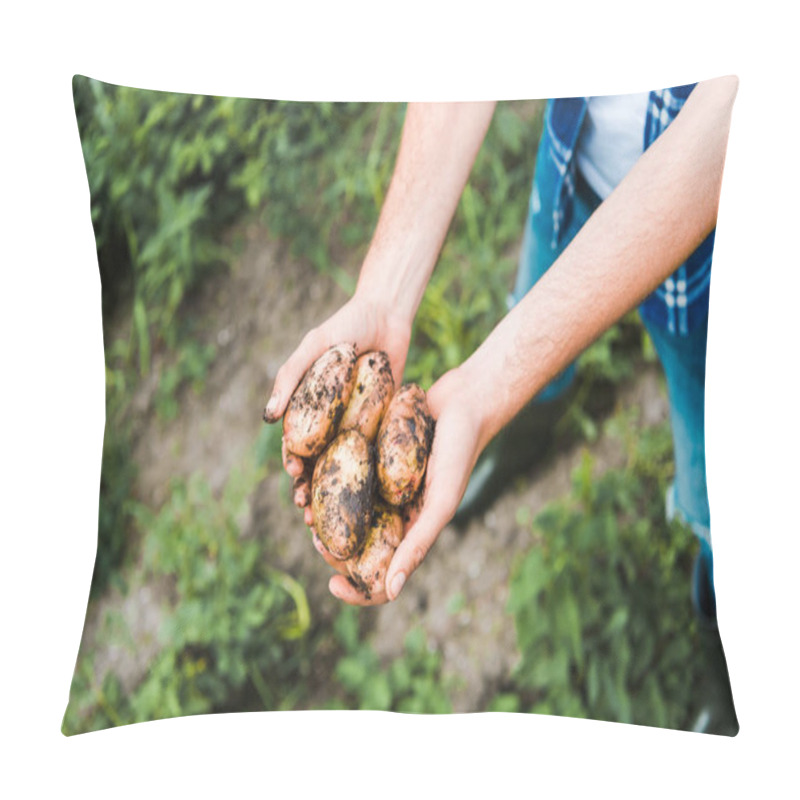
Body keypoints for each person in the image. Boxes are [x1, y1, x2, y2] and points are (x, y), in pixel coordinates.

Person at [262, 76, 738, 616]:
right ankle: (526, 433)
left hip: (724, 249)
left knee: (719, 477)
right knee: (532, 307)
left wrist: (487, 392)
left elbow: (725, 129)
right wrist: (385, 295)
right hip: (571, 158)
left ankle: (730, 623)